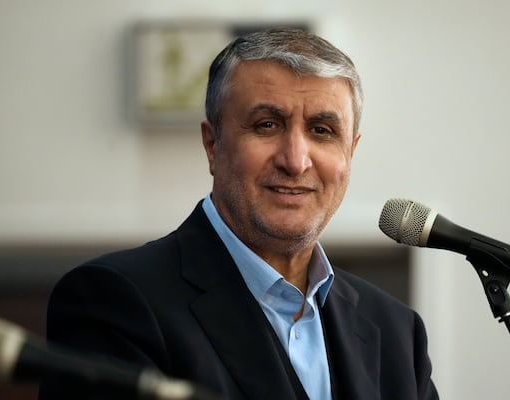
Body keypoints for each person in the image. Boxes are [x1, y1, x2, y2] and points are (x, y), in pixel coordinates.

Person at [39, 27, 439, 400]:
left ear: (350, 153)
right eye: (267, 125)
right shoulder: (114, 302)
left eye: (321, 131)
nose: (296, 161)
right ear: (213, 145)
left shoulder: (396, 331)